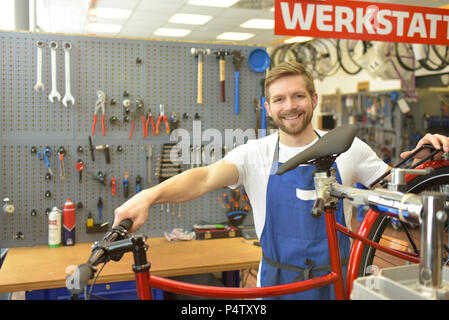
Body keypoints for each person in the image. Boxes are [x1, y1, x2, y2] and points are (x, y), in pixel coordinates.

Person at [113, 61, 449, 300]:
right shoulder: (254, 154)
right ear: (268, 108)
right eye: (279, 99)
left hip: (339, 282)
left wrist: (422, 157)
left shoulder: (348, 148)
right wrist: (149, 196)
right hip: (276, 285)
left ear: (314, 99)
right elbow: (203, 179)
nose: (290, 106)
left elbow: (397, 194)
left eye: (298, 96)